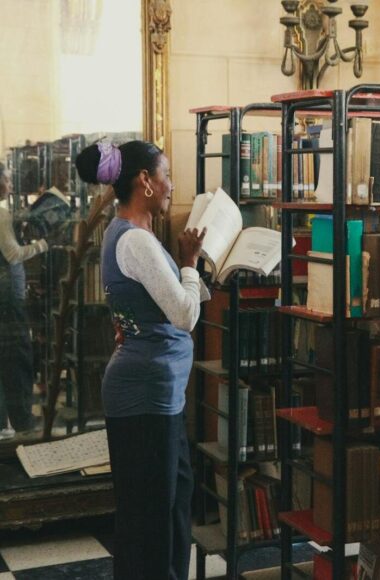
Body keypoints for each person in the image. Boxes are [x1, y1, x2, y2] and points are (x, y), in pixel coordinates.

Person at [76, 141, 208, 580]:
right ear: (145, 182)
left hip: (158, 395)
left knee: (169, 507)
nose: (172, 185)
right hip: (145, 397)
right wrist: (190, 263)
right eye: (166, 174)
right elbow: (184, 315)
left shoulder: (130, 234)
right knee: (149, 521)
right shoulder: (135, 240)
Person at [0, 162, 48, 437]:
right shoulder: (1, 213)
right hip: (7, 296)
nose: (11, 184)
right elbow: (13, 255)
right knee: (17, 358)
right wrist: (44, 244)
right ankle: (22, 421)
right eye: (7, 179)